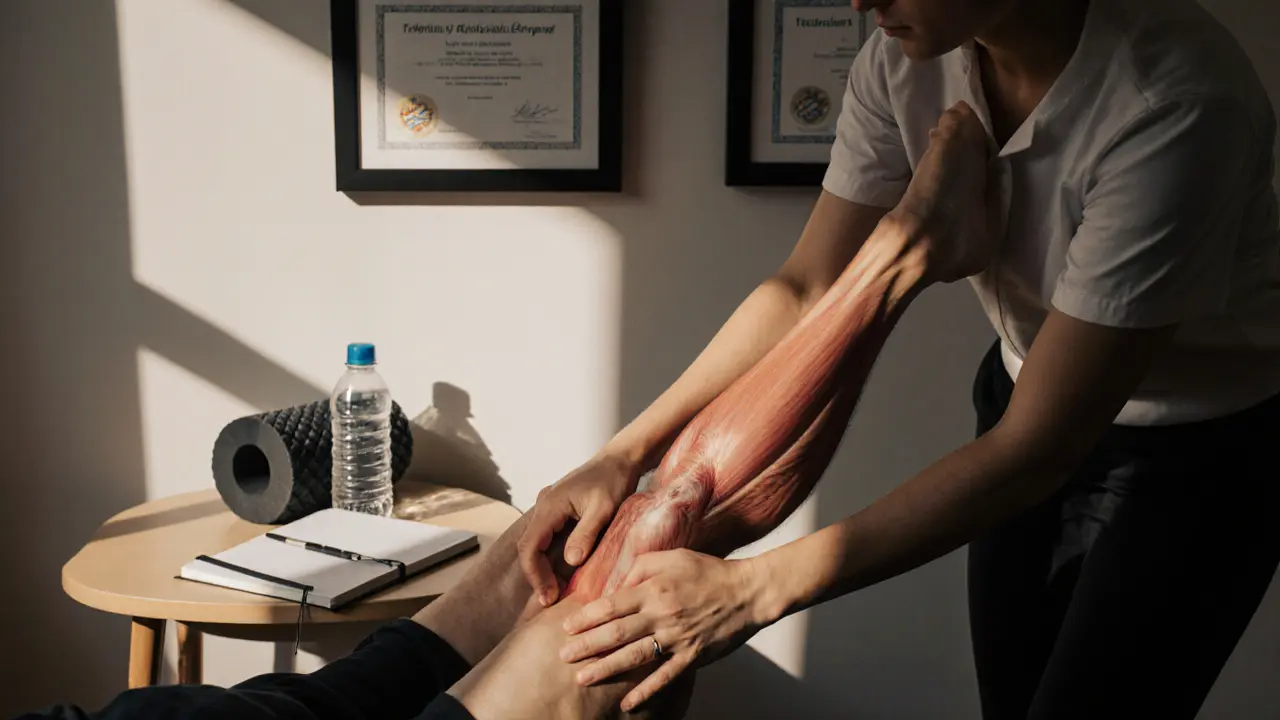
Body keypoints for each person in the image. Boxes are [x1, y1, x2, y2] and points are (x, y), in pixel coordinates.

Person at [519, 0, 1280, 718]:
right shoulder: (908, 57)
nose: (856, 2)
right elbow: (802, 286)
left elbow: (1039, 450)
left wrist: (755, 590)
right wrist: (622, 455)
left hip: (1198, 454)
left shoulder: (1175, 102)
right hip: (1019, 393)